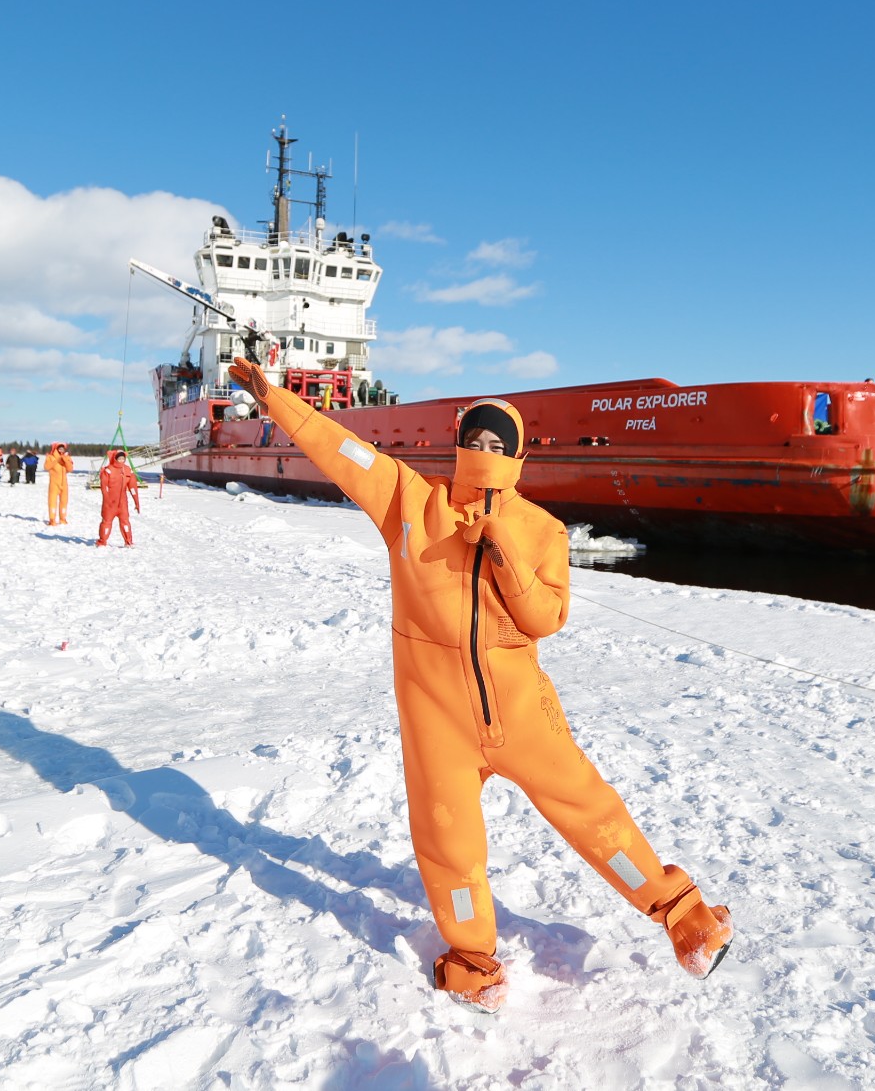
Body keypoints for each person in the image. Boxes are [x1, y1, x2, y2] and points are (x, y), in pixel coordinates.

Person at [227, 357, 732, 1012]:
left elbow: (544, 617)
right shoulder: (412, 502)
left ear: (518, 455)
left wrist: (506, 552)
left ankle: (684, 918)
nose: (484, 453)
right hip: (437, 720)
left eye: (499, 445)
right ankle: (472, 959)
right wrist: (279, 402)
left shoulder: (542, 530)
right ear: (458, 445)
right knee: (448, 842)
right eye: (476, 441)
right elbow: (346, 452)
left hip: (523, 716)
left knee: (595, 813)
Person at [96, 448, 141, 546]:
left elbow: (133, 487)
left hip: (122, 504)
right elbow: (104, 488)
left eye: (123, 458)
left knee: (125, 522)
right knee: (106, 523)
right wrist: (107, 501)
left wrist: (136, 502)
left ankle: (128, 541)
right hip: (110, 504)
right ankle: (102, 542)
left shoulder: (127, 470)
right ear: (115, 458)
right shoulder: (108, 470)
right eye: (119, 458)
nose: (121, 460)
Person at [42, 441, 74, 526]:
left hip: (64, 483)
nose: (61, 450)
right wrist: (57, 460)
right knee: (52, 501)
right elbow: (46, 467)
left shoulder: (67, 457)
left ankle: (63, 518)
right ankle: (52, 519)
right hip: (54, 483)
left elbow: (70, 469)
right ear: (56, 448)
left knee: (64, 501)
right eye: (59, 448)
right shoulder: (50, 457)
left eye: (62, 448)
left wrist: (65, 460)